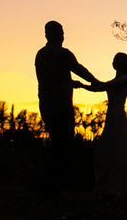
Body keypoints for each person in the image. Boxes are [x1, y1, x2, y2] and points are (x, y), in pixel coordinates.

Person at [35, 20, 98, 192]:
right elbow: (79, 69)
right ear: (52, 34)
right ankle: (55, 187)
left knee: (58, 145)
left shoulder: (40, 54)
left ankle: (53, 186)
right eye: (61, 32)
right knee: (64, 147)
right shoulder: (63, 54)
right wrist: (96, 82)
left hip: (46, 107)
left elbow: (50, 79)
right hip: (61, 107)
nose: (63, 35)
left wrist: (70, 82)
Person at [73, 52, 127, 197]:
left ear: (121, 63)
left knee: (117, 148)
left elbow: (103, 85)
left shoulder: (126, 79)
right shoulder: (117, 80)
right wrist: (82, 85)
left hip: (118, 116)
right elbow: (99, 88)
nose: (113, 62)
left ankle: (124, 184)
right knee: (108, 149)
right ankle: (110, 185)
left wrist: (88, 83)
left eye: (115, 60)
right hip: (112, 116)